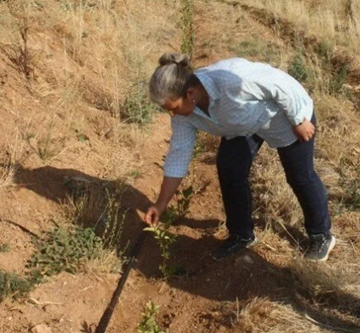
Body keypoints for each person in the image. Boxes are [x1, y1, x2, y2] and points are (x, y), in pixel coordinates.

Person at [143, 53, 335, 262]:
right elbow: (178, 155)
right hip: (242, 124)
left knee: (300, 176)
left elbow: (279, 85)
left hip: (283, 115)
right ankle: (241, 234)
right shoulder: (184, 116)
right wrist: (160, 204)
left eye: (173, 108)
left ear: (190, 93)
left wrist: (298, 119)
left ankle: (321, 234)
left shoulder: (231, 80)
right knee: (229, 167)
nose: (173, 115)